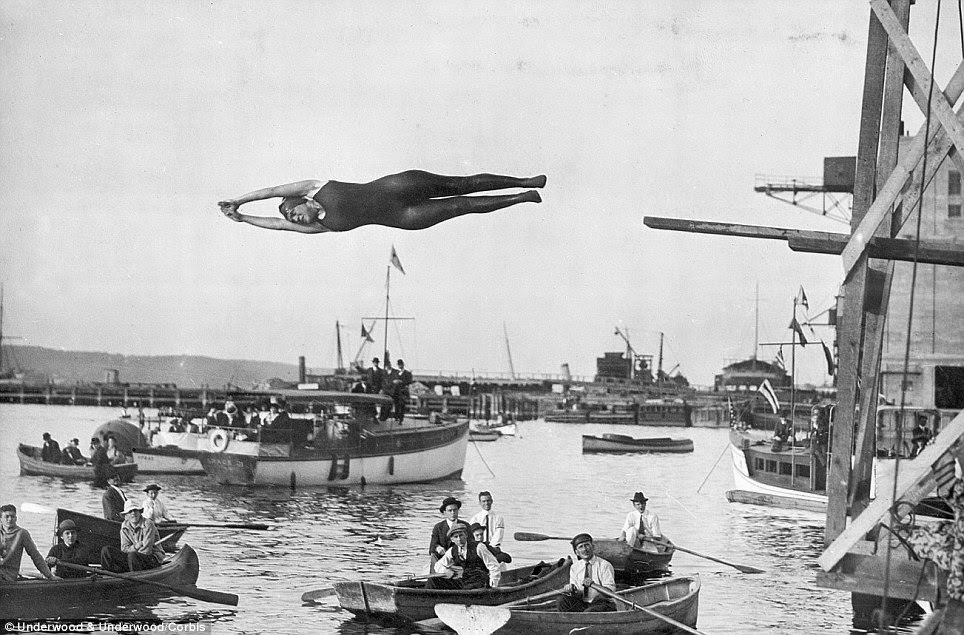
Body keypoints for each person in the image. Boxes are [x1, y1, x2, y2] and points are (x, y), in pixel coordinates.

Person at [218, 171, 546, 234]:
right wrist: (244, 219)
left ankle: (524, 180)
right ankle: (524, 197)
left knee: (460, 185)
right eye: (292, 219)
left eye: (293, 211)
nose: (294, 218)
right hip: (404, 216)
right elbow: (274, 223)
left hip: (397, 186)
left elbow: (272, 190)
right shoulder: (320, 227)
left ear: (300, 200)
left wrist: (238, 199)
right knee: (462, 206)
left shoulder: (315, 187)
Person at [426, 523, 501, 590]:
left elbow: (494, 566)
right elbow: (438, 565)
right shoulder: (452, 550)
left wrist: (493, 586)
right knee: (433, 580)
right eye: (456, 537)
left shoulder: (479, 547)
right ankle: (427, 600)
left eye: (461, 535)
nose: (459, 539)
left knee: (467, 588)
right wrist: (446, 571)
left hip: (480, 582)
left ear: (466, 535)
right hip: (464, 581)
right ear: (452, 540)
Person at [556, 533, 616, 613]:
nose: (585, 549)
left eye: (587, 545)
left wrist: (594, 585)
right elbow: (577, 593)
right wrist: (571, 589)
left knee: (590, 611)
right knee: (561, 600)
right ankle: (568, 622)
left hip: (603, 603)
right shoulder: (574, 567)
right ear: (577, 552)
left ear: (593, 547)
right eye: (581, 547)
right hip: (583, 603)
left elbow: (610, 592)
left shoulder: (605, 565)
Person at [100, 501, 164, 573]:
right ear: (126, 516)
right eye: (130, 511)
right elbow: (124, 549)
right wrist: (135, 547)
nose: (133, 513)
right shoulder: (124, 526)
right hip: (133, 558)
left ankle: (134, 577)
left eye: (136, 510)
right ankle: (107, 574)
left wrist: (132, 555)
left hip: (153, 558)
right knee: (106, 550)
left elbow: (146, 550)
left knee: (132, 555)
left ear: (140, 512)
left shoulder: (148, 524)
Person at [0, 504, 58, 581]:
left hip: (8, 575)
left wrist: (49, 575)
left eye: (12, 516)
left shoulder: (22, 533)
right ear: (1, 519)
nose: (10, 519)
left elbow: (35, 555)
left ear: (16, 518)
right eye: (6, 517)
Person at [429, 497, 470, 566]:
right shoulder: (438, 527)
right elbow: (432, 548)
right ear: (444, 512)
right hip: (443, 562)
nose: (453, 513)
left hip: (463, 561)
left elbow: (472, 543)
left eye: (455, 510)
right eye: (450, 510)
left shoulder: (465, 525)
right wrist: (438, 548)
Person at [392, 359, 413, 424]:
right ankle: (396, 417)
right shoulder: (396, 373)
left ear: (403, 365)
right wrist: (394, 381)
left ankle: (401, 419)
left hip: (403, 391)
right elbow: (392, 380)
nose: (400, 366)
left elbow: (410, 381)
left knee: (402, 405)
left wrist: (401, 382)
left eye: (401, 364)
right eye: (398, 364)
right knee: (396, 405)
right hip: (396, 391)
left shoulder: (407, 373)